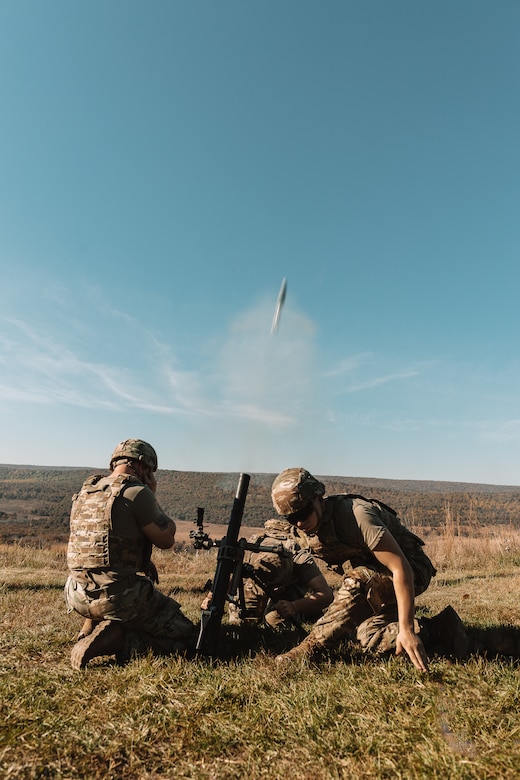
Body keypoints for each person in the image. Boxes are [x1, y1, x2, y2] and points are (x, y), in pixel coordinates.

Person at [270, 468, 467, 671]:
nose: (300, 522)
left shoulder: (356, 515)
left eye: (303, 513)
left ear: (319, 499)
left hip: (411, 570)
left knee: (355, 583)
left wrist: (407, 629)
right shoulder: (303, 529)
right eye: (292, 518)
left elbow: (401, 568)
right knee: (365, 636)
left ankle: (310, 649)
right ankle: (440, 629)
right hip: (375, 579)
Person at [64, 439, 197, 669]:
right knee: (187, 636)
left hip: (76, 594)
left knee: (104, 578)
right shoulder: (136, 491)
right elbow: (166, 539)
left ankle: (90, 625)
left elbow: (99, 547)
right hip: (117, 598)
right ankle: (118, 640)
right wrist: (151, 496)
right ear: (143, 466)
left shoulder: (87, 490)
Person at [225, 518, 334, 629]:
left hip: (285, 598)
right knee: (240, 622)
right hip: (253, 590)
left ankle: (308, 614)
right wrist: (211, 597)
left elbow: (326, 595)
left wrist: (294, 606)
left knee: (274, 622)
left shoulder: (299, 558)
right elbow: (230, 577)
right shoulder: (252, 548)